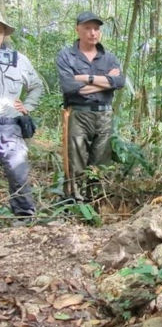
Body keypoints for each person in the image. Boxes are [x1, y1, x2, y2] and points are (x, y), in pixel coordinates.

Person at [56, 12, 125, 202]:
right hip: (79, 114)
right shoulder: (67, 56)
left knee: (100, 162)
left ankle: (95, 201)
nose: (93, 33)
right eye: (87, 28)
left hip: (104, 115)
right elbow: (69, 87)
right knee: (76, 161)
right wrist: (105, 82)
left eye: (96, 29)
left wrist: (86, 79)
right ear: (77, 29)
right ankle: (76, 203)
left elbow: (119, 82)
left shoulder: (109, 58)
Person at [0, 14, 43, 224]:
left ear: (4, 34)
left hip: (9, 126)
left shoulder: (17, 60)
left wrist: (26, 106)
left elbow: (36, 86)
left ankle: (24, 221)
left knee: (18, 173)